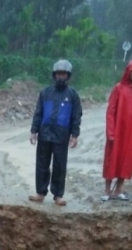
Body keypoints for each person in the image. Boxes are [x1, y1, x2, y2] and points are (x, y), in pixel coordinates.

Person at [29, 59, 82, 207]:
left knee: (59, 166)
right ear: (54, 75)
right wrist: (34, 131)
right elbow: (38, 113)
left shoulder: (73, 95)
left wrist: (74, 135)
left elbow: (76, 116)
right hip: (45, 134)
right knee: (42, 165)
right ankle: (40, 192)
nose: (60, 76)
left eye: (63, 74)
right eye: (58, 74)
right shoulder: (45, 93)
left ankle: (58, 195)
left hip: (61, 136)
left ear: (68, 76)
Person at [101, 59, 132, 201]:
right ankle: (107, 190)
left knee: (127, 160)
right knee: (112, 159)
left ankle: (119, 189)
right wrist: (111, 132)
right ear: (129, 71)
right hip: (118, 131)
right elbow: (111, 111)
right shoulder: (119, 88)